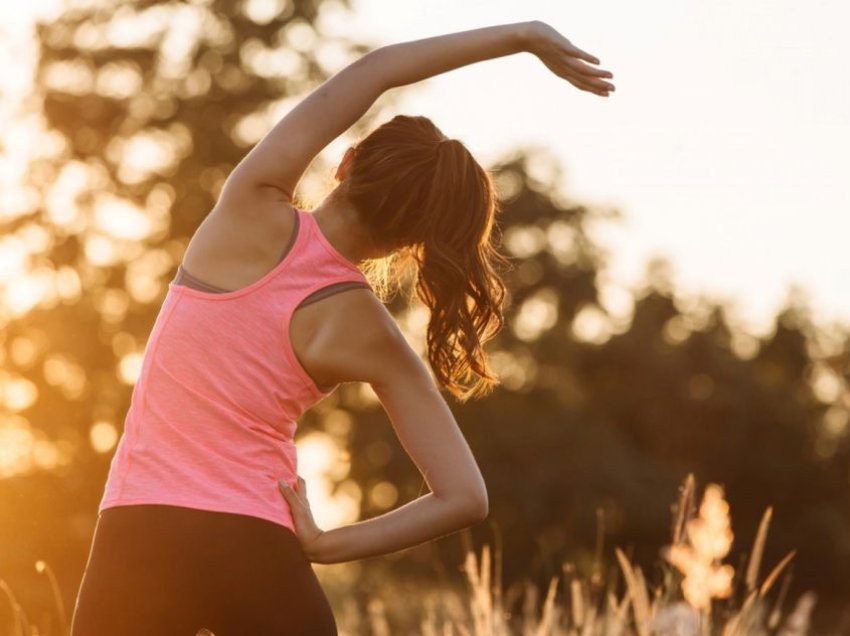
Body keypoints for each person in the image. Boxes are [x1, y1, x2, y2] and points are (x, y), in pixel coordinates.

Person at [70, 19, 615, 635]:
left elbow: (378, 71)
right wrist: (327, 545)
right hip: (259, 546)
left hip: (140, 532)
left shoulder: (249, 205)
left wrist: (521, 36)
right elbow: (465, 497)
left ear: (347, 162)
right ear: (413, 241)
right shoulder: (372, 333)